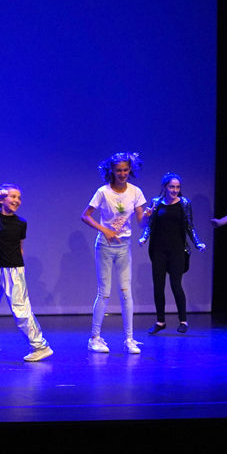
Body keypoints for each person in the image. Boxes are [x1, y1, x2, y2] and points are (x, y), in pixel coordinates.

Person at [0, 184, 53, 362]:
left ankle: (40, 346)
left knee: (21, 310)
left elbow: (20, 247)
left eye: (19, 197)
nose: (17, 200)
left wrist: (18, 270)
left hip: (13, 271)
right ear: (2, 200)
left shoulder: (21, 223)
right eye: (13, 196)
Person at [81, 151, 147, 354]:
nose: (123, 174)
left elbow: (141, 223)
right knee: (104, 292)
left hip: (124, 246)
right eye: (119, 170)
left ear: (130, 170)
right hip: (105, 246)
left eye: (126, 170)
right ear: (112, 171)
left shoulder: (135, 192)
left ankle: (129, 339)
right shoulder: (103, 192)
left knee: (126, 292)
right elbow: (86, 215)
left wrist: (148, 216)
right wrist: (105, 230)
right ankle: (94, 338)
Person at [139, 172, 206, 335]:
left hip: (177, 250)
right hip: (158, 250)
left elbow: (190, 226)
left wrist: (197, 242)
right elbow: (150, 225)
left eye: (177, 187)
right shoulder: (156, 202)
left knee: (176, 284)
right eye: (171, 187)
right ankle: (160, 321)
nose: (175, 190)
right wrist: (144, 238)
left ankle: (183, 321)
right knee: (158, 286)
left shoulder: (184, 203)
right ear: (165, 187)